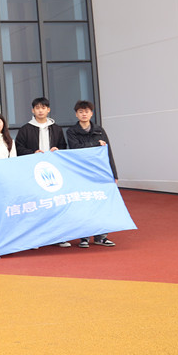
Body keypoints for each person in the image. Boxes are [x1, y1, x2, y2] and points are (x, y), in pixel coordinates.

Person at [66, 100, 118, 248]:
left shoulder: (99, 130)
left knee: (100, 203)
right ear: (76, 114)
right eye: (81, 112)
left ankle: (101, 237)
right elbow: (75, 148)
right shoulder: (71, 131)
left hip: (100, 173)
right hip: (81, 173)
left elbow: (108, 152)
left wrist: (114, 174)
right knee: (83, 203)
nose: (84, 114)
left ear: (91, 113)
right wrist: (95, 144)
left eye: (87, 111)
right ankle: (84, 237)